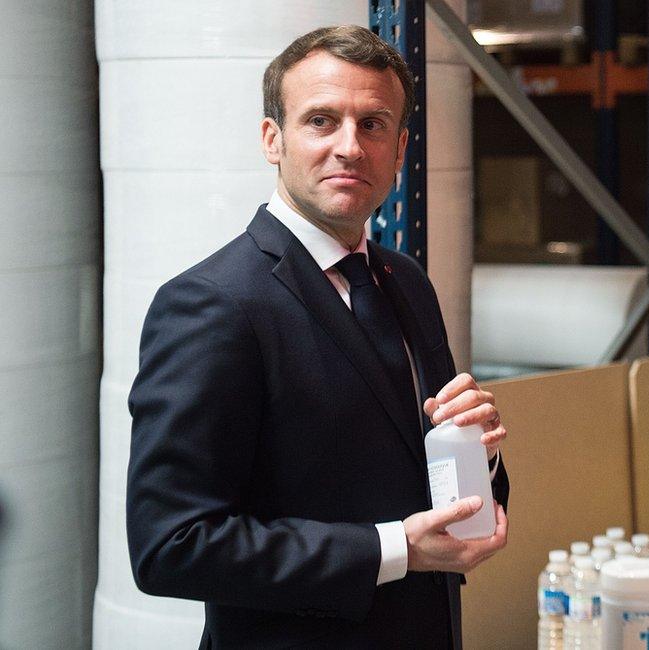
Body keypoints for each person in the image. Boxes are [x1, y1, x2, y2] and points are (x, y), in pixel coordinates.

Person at [126, 25, 510, 648]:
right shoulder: (212, 304)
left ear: (401, 146)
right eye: (322, 121)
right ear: (272, 139)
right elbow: (172, 544)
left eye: (374, 125)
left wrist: (478, 453)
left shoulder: (406, 280)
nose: (350, 147)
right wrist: (395, 550)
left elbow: (417, 464)